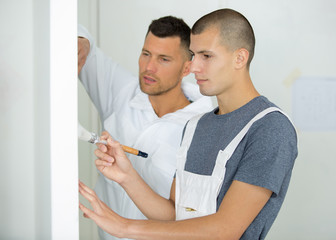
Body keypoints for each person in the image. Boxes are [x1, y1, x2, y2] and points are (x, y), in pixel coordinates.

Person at [79, 8, 298, 240]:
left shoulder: (270, 128)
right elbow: (175, 214)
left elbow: (227, 229)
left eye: (206, 56)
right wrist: (127, 177)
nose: (193, 67)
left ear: (240, 58)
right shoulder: (196, 126)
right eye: (194, 55)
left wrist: (125, 227)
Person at [78, 16, 213, 240]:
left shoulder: (205, 128)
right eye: (146, 54)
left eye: (164, 59)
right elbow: (82, 44)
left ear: (187, 67)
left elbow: (191, 220)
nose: (149, 68)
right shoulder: (123, 92)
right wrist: (82, 42)